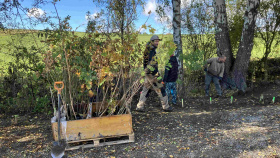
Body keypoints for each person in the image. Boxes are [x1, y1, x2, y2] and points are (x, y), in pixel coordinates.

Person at [136, 35, 173, 112]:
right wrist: (157, 76)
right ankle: (166, 107)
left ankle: (139, 106)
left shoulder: (149, 49)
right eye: (156, 41)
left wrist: (146, 73)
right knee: (161, 89)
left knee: (146, 90)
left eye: (158, 41)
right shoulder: (151, 51)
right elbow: (152, 65)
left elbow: (147, 65)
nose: (157, 43)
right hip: (152, 74)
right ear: (152, 42)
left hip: (148, 73)